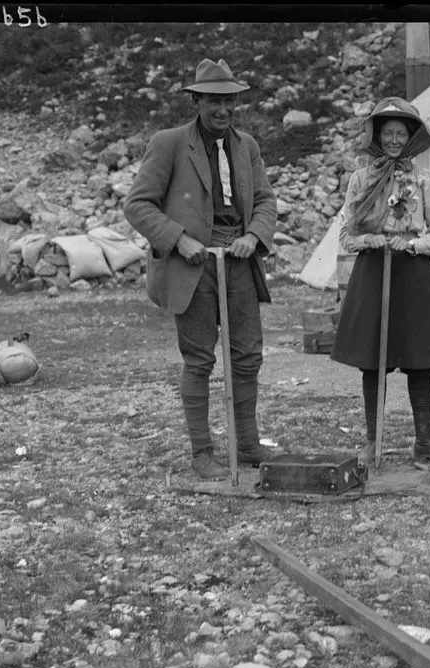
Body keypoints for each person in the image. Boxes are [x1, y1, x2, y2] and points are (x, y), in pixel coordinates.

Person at [124, 58, 278, 479]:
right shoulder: (169, 143)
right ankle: (202, 453)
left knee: (247, 357)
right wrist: (178, 239)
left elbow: (265, 200)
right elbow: (137, 204)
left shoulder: (246, 146)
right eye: (213, 101)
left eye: (229, 102)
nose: (222, 111)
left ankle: (247, 445)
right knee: (198, 361)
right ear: (196, 101)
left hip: (240, 264)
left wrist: (254, 236)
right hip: (193, 267)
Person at [330, 97, 430, 464]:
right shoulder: (361, 179)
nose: (395, 140)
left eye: (402, 133)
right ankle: (374, 441)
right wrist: (374, 240)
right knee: (373, 359)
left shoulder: (425, 180)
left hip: (413, 273)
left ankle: (425, 441)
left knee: (420, 358)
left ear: (412, 137)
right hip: (372, 271)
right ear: (377, 135)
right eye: (388, 132)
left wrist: (411, 243)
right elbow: (347, 235)